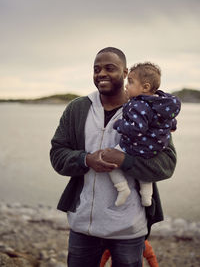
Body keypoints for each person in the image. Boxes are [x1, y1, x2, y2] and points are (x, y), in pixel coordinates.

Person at [50, 47, 177, 267]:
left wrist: (125, 161)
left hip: (129, 229)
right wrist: (86, 160)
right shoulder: (77, 109)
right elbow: (57, 154)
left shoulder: (149, 110)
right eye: (96, 69)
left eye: (110, 68)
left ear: (126, 72)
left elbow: (167, 164)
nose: (101, 74)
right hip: (83, 227)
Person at [107, 62, 181, 207]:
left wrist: (119, 124)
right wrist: (171, 127)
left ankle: (122, 188)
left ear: (145, 87)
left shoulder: (138, 104)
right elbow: (171, 122)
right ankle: (147, 197)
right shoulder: (161, 103)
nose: (126, 86)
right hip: (156, 148)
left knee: (111, 160)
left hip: (138, 146)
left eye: (130, 82)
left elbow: (137, 129)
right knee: (145, 174)